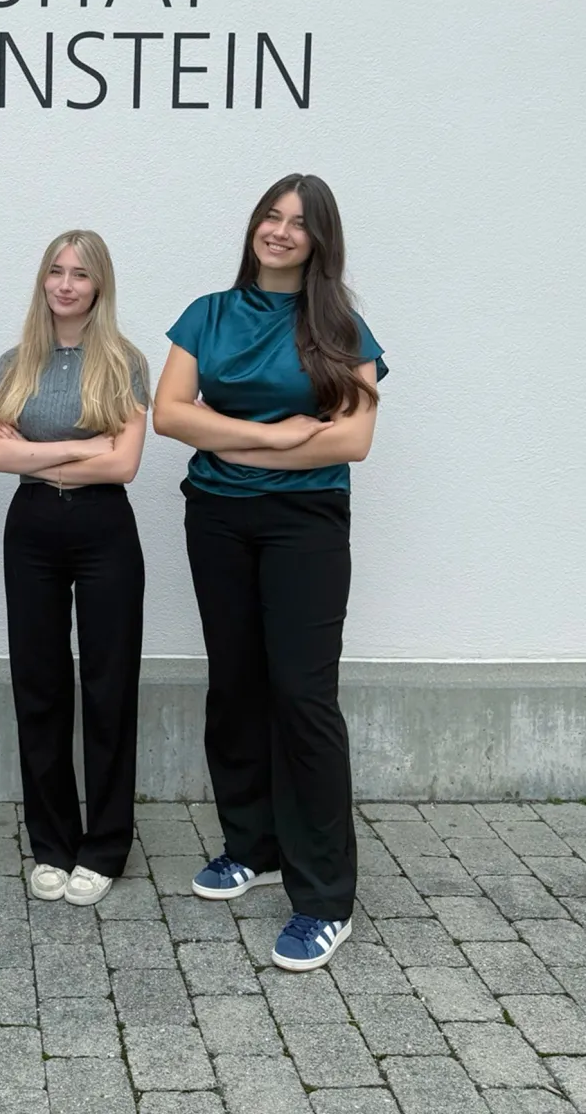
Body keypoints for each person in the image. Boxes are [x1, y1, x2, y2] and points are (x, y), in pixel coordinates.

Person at [152, 174, 386, 972]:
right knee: (235, 683)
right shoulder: (207, 314)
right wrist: (282, 436)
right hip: (217, 519)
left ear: (319, 239)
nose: (280, 231)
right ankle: (252, 846)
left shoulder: (339, 326)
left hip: (306, 525)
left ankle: (325, 899)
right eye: (271, 216)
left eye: (298, 222)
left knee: (303, 696)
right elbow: (169, 414)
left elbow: (352, 441)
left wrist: (230, 439)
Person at [0, 231, 149, 907]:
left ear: (99, 284)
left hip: (105, 529)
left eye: (80, 273)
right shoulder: (14, 363)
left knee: (109, 688)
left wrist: (36, 453)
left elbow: (124, 465)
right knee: (40, 685)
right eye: (56, 271)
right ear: (43, 280)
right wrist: (84, 448)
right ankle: (51, 842)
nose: (67, 284)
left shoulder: (125, 362)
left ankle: (104, 847)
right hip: (31, 531)